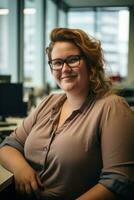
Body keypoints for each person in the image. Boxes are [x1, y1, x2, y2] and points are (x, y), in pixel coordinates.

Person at [0, 27, 134, 200]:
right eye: (57, 62)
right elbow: (8, 145)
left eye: (72, 60)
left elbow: (119, 182)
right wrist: (21, 168)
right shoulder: (49, 102)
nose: (64, 68)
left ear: (90, 63)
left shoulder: (111, 107)